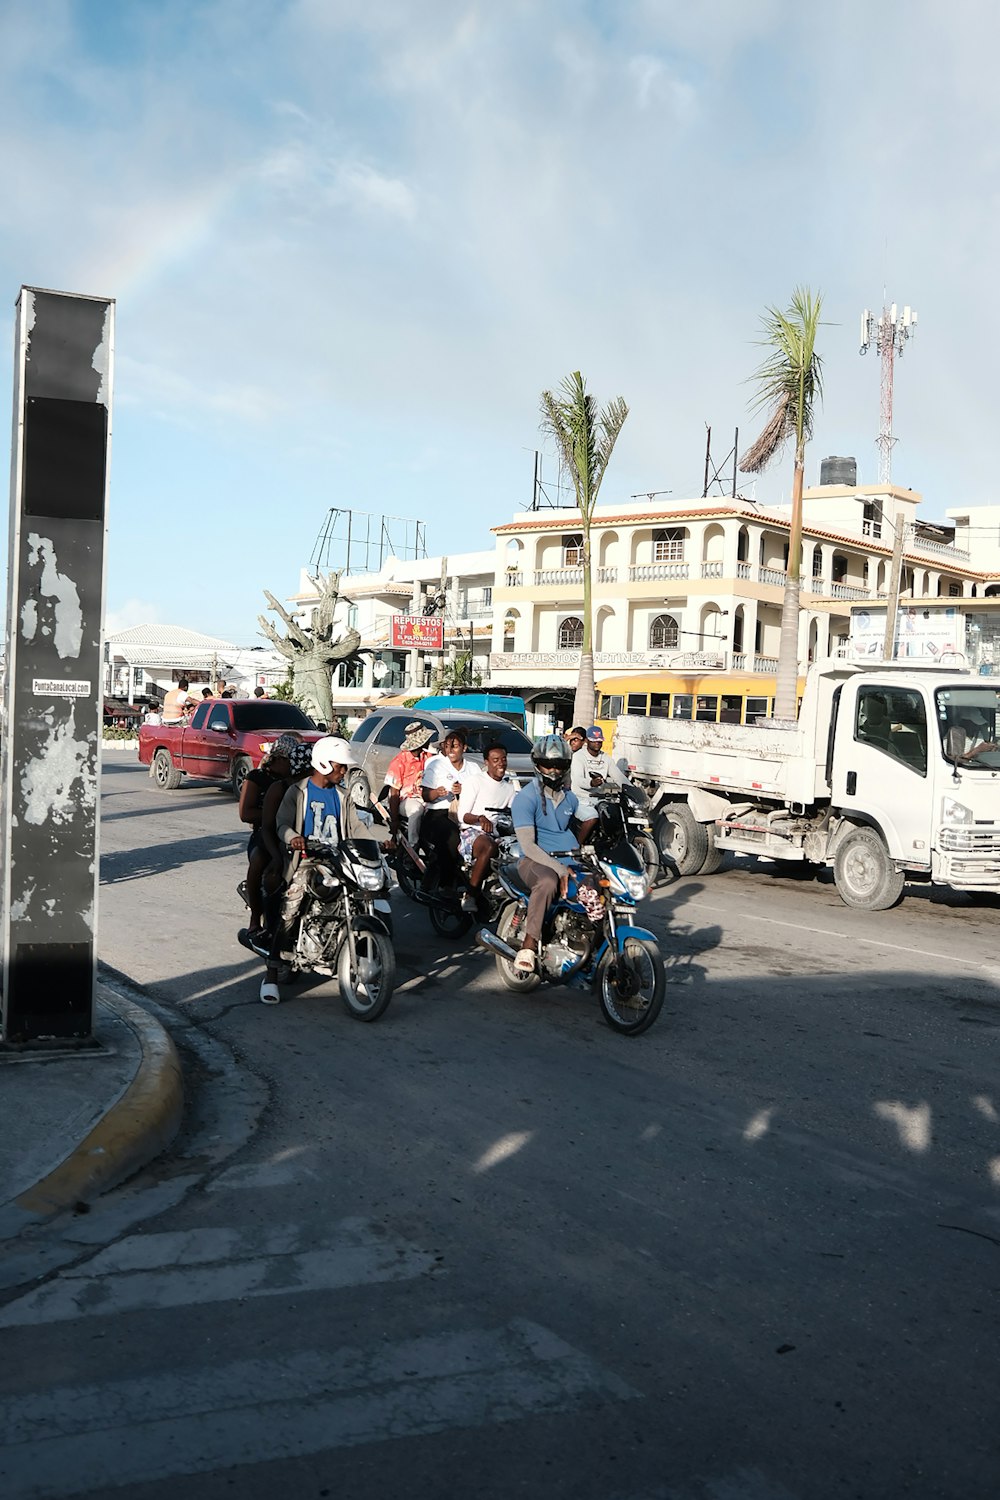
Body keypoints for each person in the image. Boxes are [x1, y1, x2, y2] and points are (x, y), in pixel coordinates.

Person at [260, 736, 370, 1004]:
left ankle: (364, 970)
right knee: (291, 907)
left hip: (340, 861)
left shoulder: (344, 797)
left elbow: (356, 828)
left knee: (365, 903)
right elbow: (281, 824)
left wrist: (376, 843)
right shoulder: (297, 792)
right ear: (322, 763)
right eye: (340, 766)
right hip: (308, 861)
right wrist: (293, 837)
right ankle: (271, 973)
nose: (343, 771)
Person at [510, 734, 581, 973]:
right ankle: (528, 945)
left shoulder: (570, 799)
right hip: (534, 861)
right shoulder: (525, 798)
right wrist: (559, 868)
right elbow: (528, 846)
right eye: (547, 764)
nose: (553, 770)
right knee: (549, 881)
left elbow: (585, 826)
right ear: (537, 764)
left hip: (568, 859)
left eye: (559, 765)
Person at [239, 733, 307, 937]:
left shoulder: (297, 780)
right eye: (289, 760)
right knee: (260, 861)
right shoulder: (258, 778)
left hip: (293, 833)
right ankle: (254, 917)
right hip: (265, 833)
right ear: (279, 758)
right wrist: (274, 815)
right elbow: (245, 813)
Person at [458, 743, 518, 912]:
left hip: (496, 834)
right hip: (471, 832)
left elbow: (513, 813)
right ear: (486, 762)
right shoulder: (474, 781)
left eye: (503, 759)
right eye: (495, 760)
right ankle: (470, 894)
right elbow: (462, 815)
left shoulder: (508, 788)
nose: (501, 763)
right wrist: (480, 818)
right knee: (489, 846)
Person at [421, 728, 480, 891]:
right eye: (447, 746)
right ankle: (447, 884)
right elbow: (425, 795)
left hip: (466, 812)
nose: (451, 750)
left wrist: (464, 791)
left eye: (455, 746)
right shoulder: (436, 765)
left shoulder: (473, 768)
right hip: (440, 813)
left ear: (464, 748)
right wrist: (436, 792)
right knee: (452, 837)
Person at [570, 725, 627, 843]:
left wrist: (631, 789)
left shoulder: (606, 758)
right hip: (581, 798)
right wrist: (591, 783)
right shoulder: (578, 757)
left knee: (615, 815)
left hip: (600, 798)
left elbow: (618, 776)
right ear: (587, 741)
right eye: (594, 740)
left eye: (599, 741)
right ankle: (577, 847)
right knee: (592, 817)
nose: (597, 743)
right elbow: (578, 780)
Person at [385, 721, 435, 847]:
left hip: (425, 797)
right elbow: (394, 792)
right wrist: (394, 819)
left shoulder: (427, 756)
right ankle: (413, 844)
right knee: (416, 810)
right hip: (406, 800)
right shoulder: (399, 761)